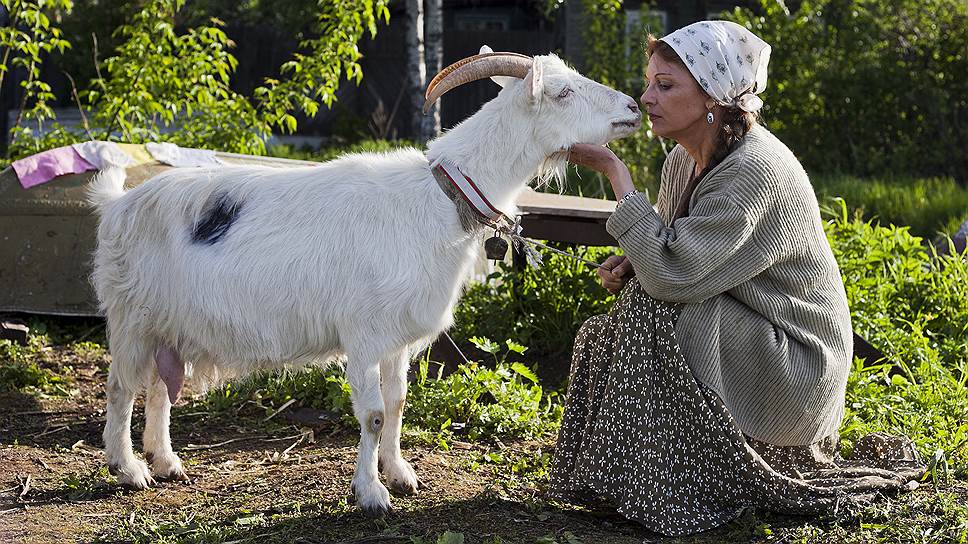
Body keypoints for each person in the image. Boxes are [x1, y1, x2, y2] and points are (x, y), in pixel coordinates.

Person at [550, 20, 924, 536]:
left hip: (798, 362)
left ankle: (680, 480)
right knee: (622, 321)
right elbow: (673, 248)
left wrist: (617, 175)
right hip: (754, 330)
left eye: (666, 86)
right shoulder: (686, 158)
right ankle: (637, 478)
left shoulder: (755, 171)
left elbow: (674, 277)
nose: (646, 98)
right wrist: (635, 258)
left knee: (656, 311)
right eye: (649, 82)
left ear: (713, 98)